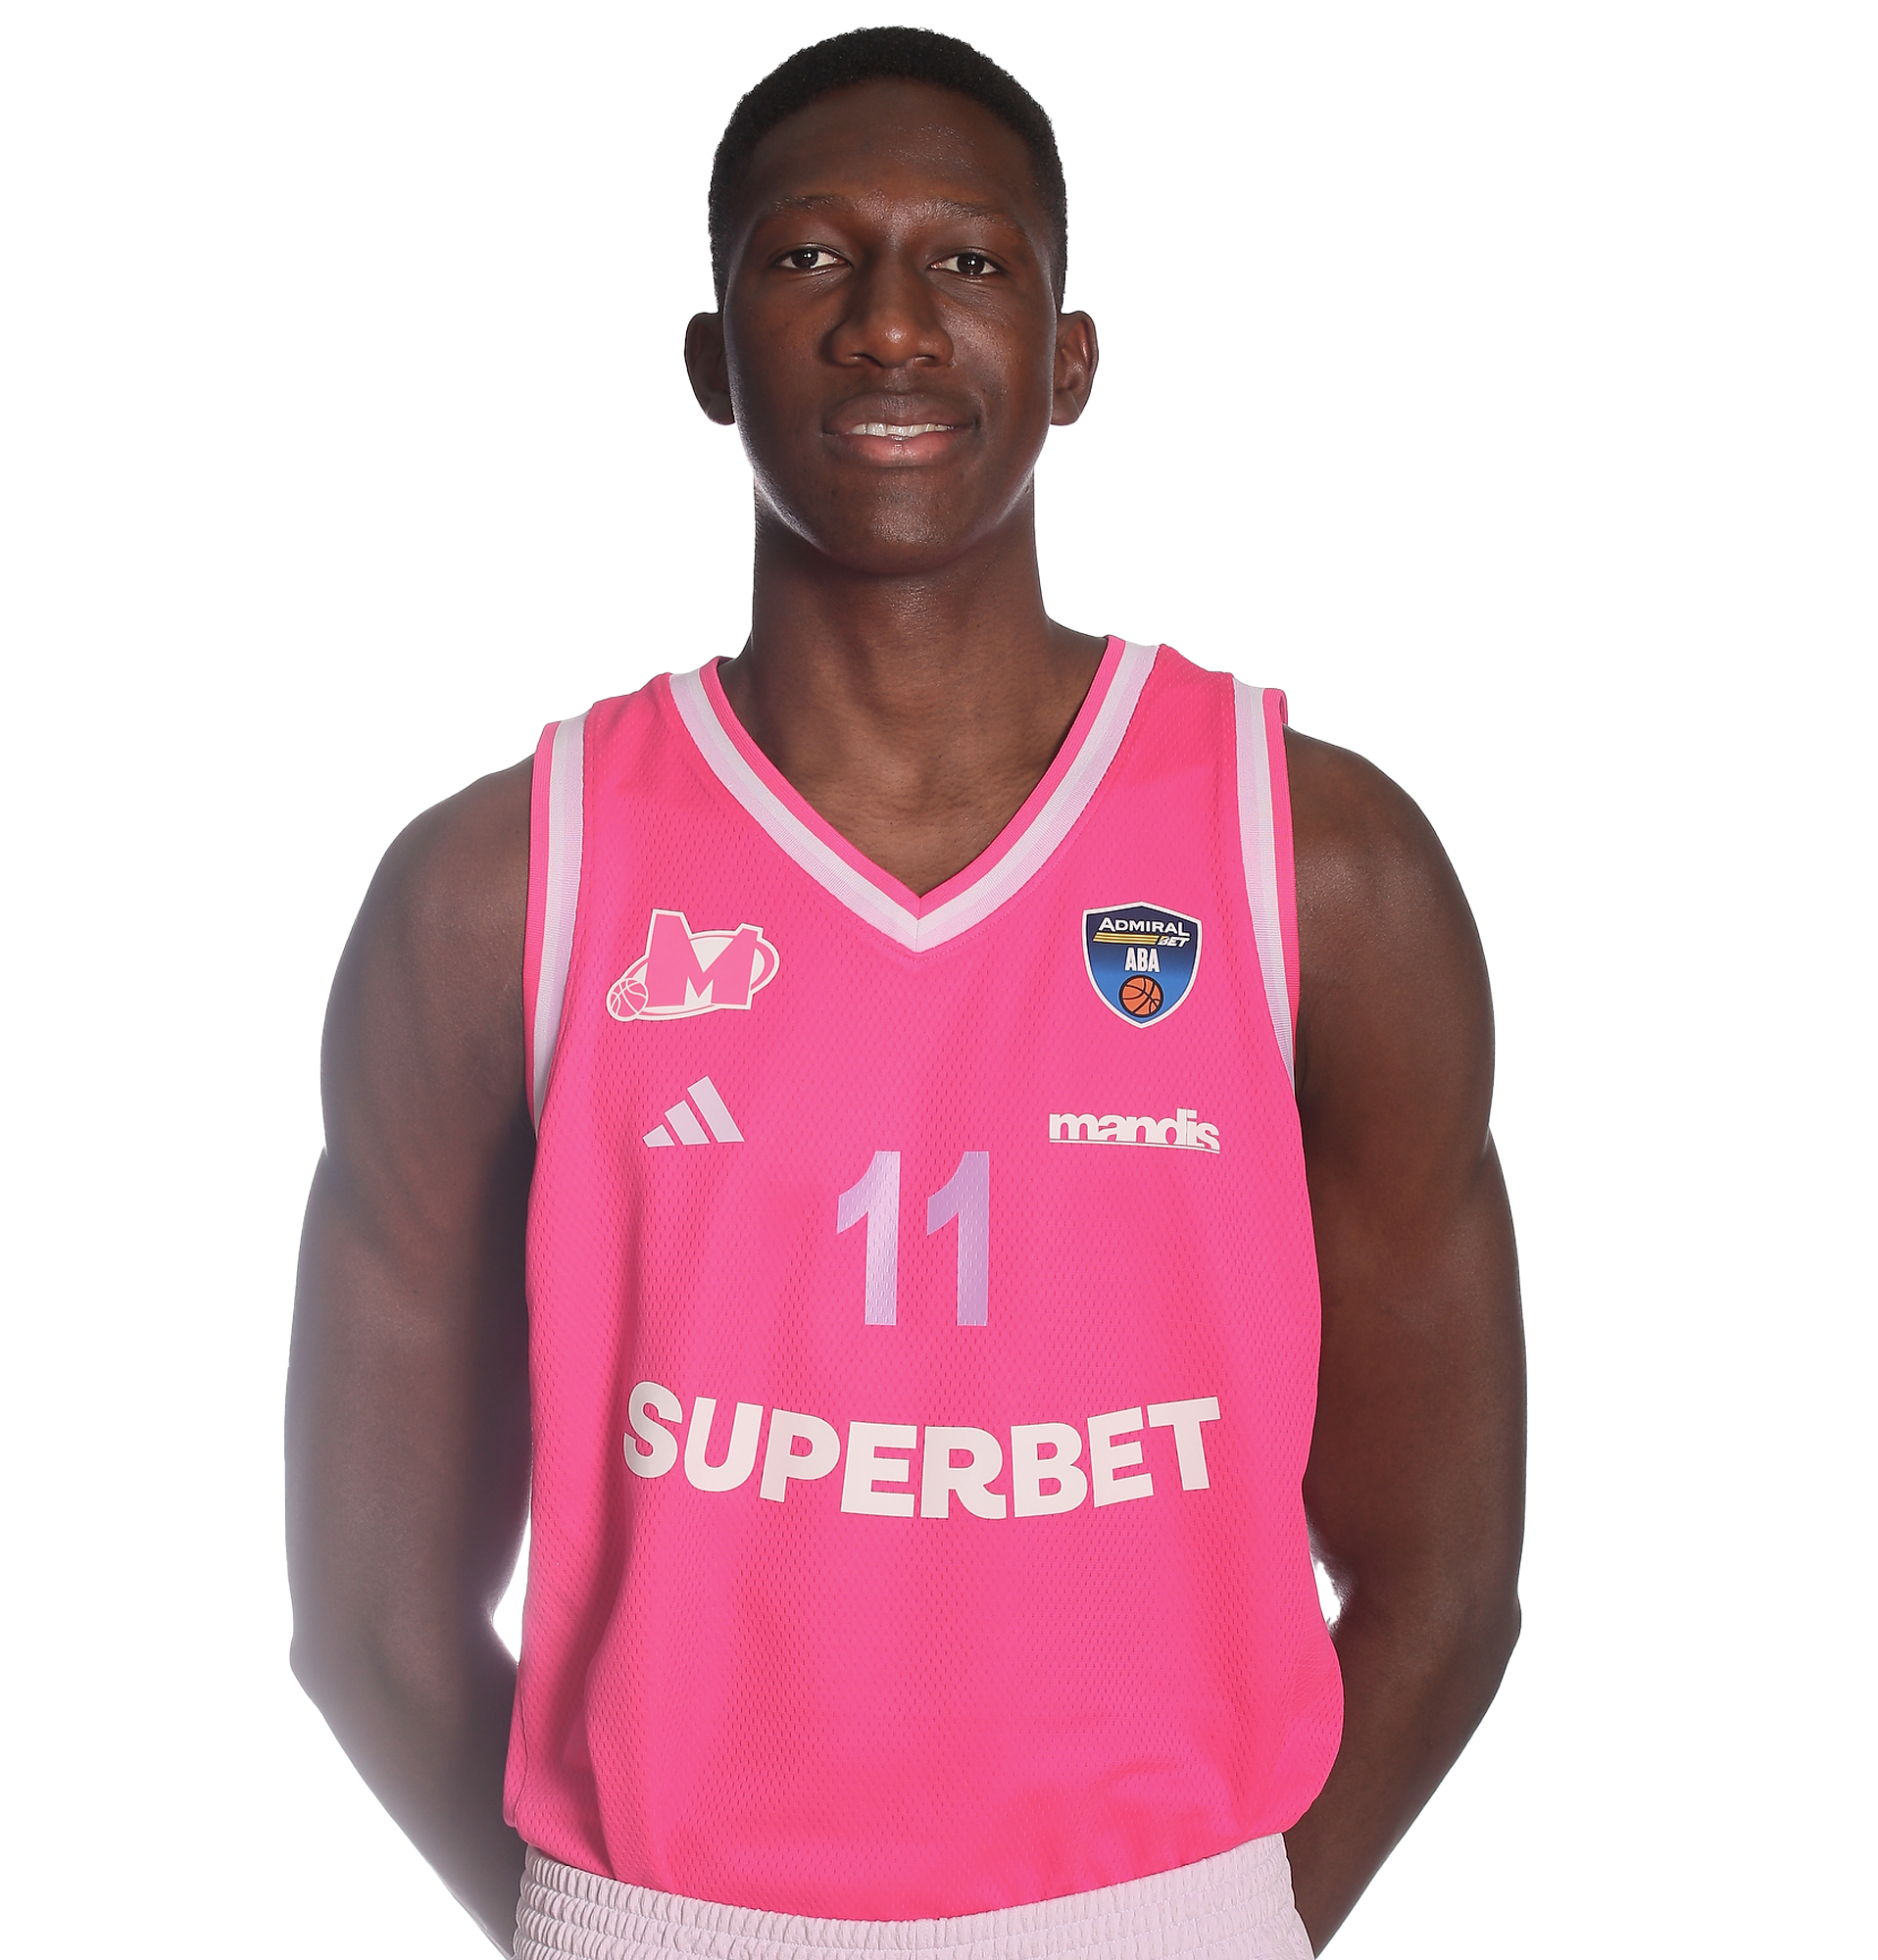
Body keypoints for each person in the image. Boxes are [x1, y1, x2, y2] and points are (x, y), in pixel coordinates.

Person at [287, 25, 1524, 1959]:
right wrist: (601, 1935)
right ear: (712, 357)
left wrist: (1239, 1930)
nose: (886, 324)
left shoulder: (1319, 867)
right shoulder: (499, 893)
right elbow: (368, 1616)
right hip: (659, 1920)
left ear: (1068, 356)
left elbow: (1448, 1575)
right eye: (808, 257)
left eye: (966, 260)